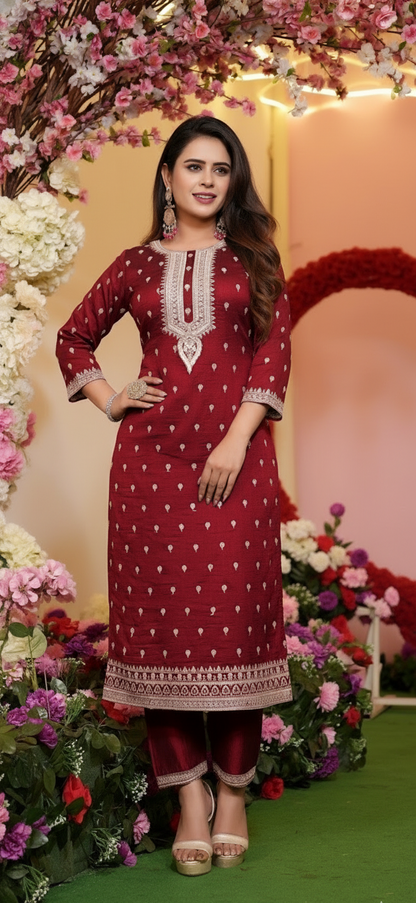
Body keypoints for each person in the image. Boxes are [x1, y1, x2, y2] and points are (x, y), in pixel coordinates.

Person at [56, 115, 292, 877]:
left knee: (232, 620)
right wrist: (111, 397)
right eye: (193, 166)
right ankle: (190, 797)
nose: (207, 180)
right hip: (151, 469)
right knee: (165, 628)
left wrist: (235, 437)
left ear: (232, 182)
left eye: (221, 170)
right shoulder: (132, 264)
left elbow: (274, 348)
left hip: (239, 461)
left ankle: (234, 791)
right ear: (166, 175)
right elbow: (73, 338)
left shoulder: (253, 257)